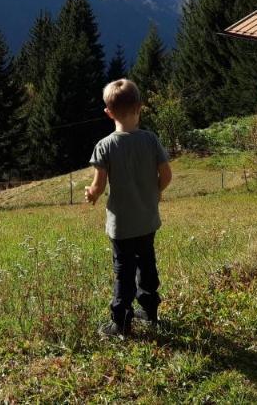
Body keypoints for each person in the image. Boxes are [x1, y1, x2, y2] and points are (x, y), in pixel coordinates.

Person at [84, 78, 172, 339]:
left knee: (123, 270)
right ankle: (150, 312)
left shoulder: (105, 146)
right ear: (140, 108)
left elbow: (98, 186)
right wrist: (155, 192)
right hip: (147, 220)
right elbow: (166, 175)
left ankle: (121, 322)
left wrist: (91, 194)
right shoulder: (150, 140)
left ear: (108, 112)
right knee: (147, 263)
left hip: (121, 225)